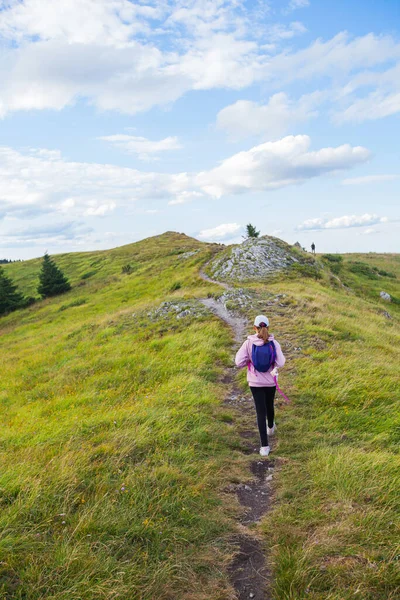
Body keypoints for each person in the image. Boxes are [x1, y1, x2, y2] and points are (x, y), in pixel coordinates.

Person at [235, 315, 286, 457]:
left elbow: (238, 362)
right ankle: (271, 427)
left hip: (255, 383)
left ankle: (264, 446)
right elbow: (281, 362)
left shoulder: (248, 343)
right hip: (270, 381)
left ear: (254, 328)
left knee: (260, 411)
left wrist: (249, 362)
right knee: (270, 404)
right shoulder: (274, 343)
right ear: (268, 328)